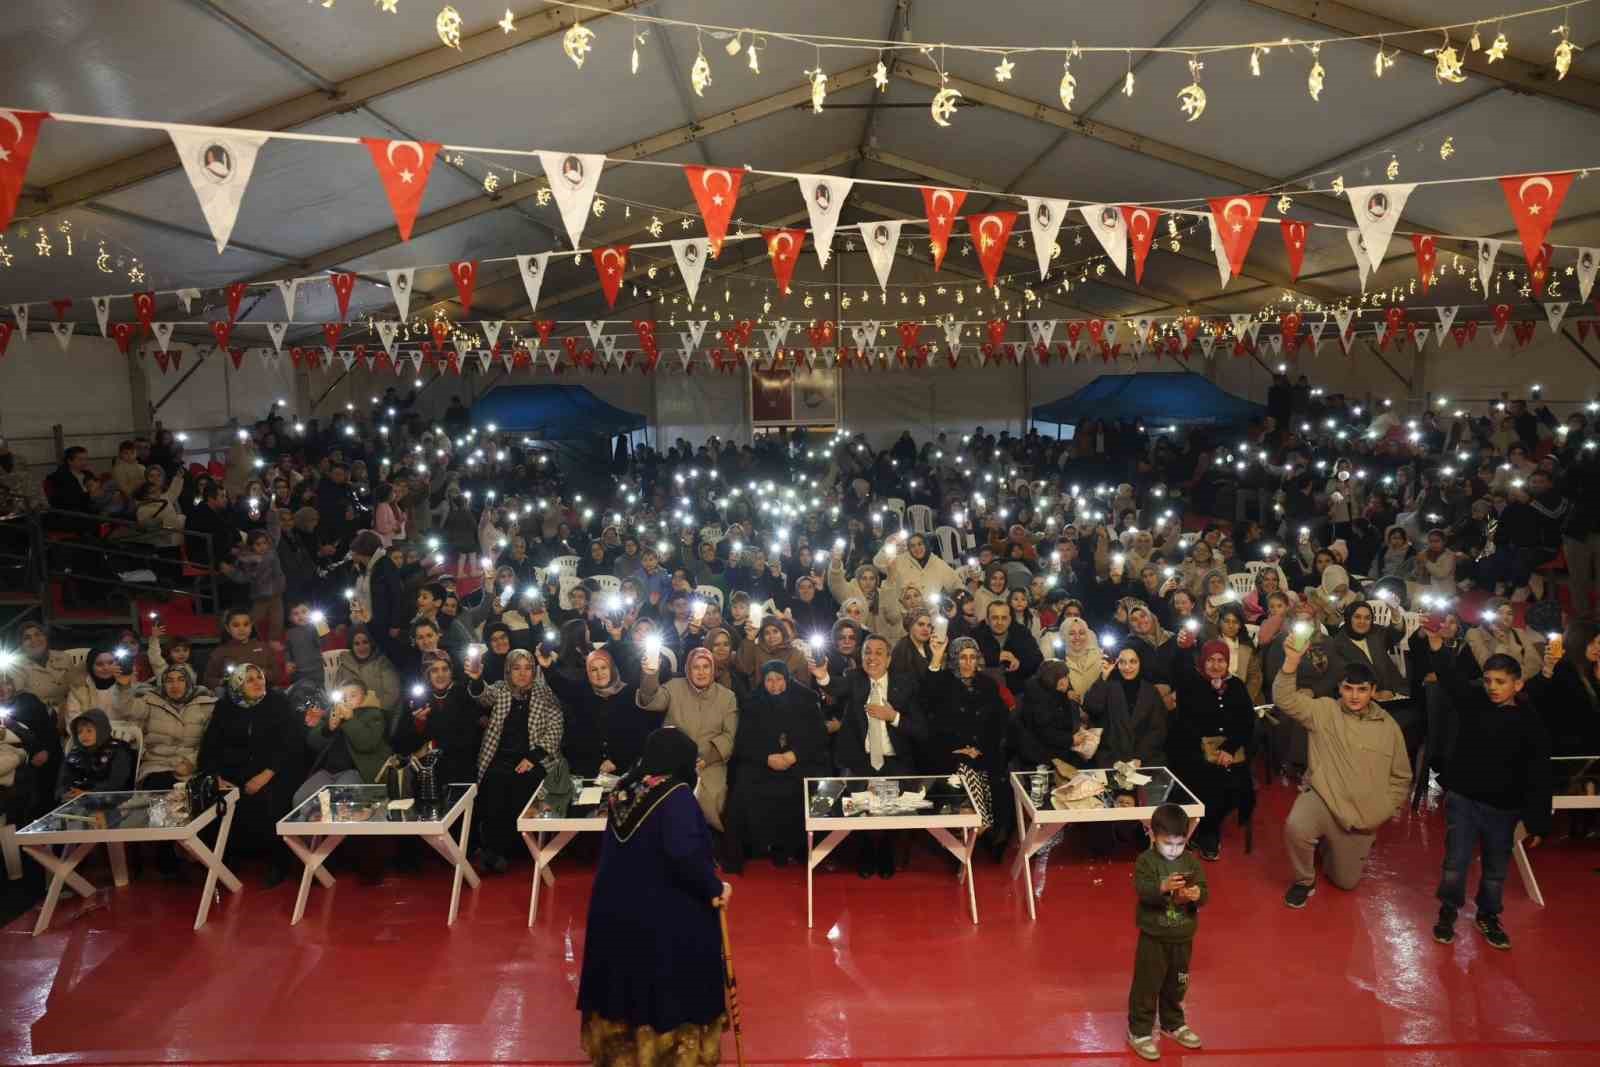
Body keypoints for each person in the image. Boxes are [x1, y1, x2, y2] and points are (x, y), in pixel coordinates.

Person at [576, 728, 730, 1065]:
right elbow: (685, 855)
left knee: (624, 987)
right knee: (673, 973)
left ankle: (624, 1053)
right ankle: (670, 1053)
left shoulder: (623, 789)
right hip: (660, 914)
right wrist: (715, 888)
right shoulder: (676, 796)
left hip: (613, 910)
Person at [1421, 638, 1551, 951]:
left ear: (1518, 684)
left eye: (1500, 682)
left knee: (1495, 869)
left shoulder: (1530, 722)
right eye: (1488, 680)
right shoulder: (1474, 703)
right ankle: (1448, 910)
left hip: (1504, 809)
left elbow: (1538, 772)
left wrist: (1538, 821)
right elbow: (1451, 681)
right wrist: (1438, 648)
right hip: (1464, 800)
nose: (1492, 687)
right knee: (1456, 862)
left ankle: (1488, 915)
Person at [1273, 637, 1412, 908]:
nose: (1354, 696)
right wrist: (1291, 662)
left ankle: (1330, 848)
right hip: (1323, 798)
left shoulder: (1389, 727)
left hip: (1361, 815)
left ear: (1373, 691)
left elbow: (1401, 777)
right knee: (1296, 826)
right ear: (1339, 688)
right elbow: (1285, 699)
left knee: (1345, 882)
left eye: (1362, 690)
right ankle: (1304, 880)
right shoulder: (1324, 710)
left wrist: (1382, 810)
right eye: (1348, 688)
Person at [810, 633, 927, 879]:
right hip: (859, 760)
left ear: (889, 659)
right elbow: (836, 686)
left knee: (894, 804)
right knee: (856, 802)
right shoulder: (854, 678)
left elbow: (920, 729)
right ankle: (865, 848)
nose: (872, 657)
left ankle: (885, 848)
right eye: (867, 652)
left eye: (878, 653)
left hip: (894, 760)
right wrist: (822, 676)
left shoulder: (905, 683)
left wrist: (893, 717)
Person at [197, 663, 302, 887]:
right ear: (237, 685)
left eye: (259, 677)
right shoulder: (225, 706)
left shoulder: (278, 702)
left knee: (272, 798)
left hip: (275, 769)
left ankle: (279, 863)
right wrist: (215, 775)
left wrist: (266, 774)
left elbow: (290, 744)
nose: (257, 682)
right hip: (234, 769)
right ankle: (226, 859)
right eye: (249, 679)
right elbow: (211, 745)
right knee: (219, 797)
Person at [463, 648, 565, 874]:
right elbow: (483, 696)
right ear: (508, 670)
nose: (522, 673)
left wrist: (533, 756)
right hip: (499, 757)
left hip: (535, 757)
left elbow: (556, 727)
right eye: (516, 668)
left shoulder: (544, 692)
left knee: (522, 782)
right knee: (494, 784)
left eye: (528, 668)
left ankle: (522, 848)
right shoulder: (501, 689)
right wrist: (477, 679)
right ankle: (495, 851)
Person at [726, 661, 830, 869]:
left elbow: (818, 737)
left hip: (799, 761)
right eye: (769, 680)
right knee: (743, 786)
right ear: (763, 682)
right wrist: (766, 758)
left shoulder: (806, 699)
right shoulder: (752, 702)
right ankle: (757, 848)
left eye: (779, 679)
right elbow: (743, 742)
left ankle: (805, 850)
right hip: (764, 763)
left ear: (787, 679)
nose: (774, 685)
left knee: (815, 786)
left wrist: (794, 755)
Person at [1125, 802, 1207, 1062]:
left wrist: (1196, 894)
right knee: (1147, 984)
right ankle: (1139, 1031)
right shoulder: (1146, 861)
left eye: (1180, 844)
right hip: (1154, 937)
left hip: (1183, 937)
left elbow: (1204, 891)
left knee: (1177, 983)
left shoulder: (1191, 862)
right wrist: (1162, 887)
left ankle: (1173, 1023)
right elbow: (1143, 890)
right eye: (1167, 843)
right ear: (1153, 835)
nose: (1174, 850)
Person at [923, 634, 1012, 860]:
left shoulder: (988, 684)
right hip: (950, 750)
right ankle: (980, 824)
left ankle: (987, 830)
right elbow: (930, 708)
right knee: (964, 768)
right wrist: (959, 748)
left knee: (996, 778)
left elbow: (999, 722)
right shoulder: (943, 682)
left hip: (984, 749)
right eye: (963, 657)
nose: (968, 663)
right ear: (954, 658)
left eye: (973, 657)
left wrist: (980, 748)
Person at [636, 646, 738, 834]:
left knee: (710, 797)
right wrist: (650, 674)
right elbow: (650, 701)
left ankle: (707, 840)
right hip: (673, 763)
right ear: (688, 669)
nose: (701, 672)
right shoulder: (673, 687)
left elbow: (728, 737)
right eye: (696, 667)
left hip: (709, 763)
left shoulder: (727, 697)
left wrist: (705, 760)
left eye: (706, 667)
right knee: (671, 799)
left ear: (713, 669)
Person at [1169, 641, 1256, 861]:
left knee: (1236, 786)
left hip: (1229, 751)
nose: (1216, 666)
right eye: (1210, 660)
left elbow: (1246, 721)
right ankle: (1206, 831)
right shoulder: (1191, 684)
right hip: (1194, 750)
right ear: (1202, 661)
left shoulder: (1236, 685)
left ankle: (1208, 829)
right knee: (1204, 779)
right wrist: (1204, 750)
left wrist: (1229, 749)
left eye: (1221, 660)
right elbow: (1184, 722)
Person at [540, 647, 655, 778]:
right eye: (593, 670)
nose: (599, 674)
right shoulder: (583, 693)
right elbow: (560, 685)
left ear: (611, 669)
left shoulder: (630, 694)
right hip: (590, 770)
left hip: (625, 769)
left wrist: (616, 760)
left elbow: (638, 734)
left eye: (603, 668)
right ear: (588, 672)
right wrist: (548, 667)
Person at [391, 651, 483, 790]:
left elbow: (471, 737)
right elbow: (400, 745)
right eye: (434, 670)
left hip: (461, 773)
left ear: (451, 671)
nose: (441, 675)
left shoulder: (464, 693)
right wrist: (418, 724)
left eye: (445, 669)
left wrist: (433, 742)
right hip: (427, 778)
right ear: (427, 673)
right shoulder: (416, 699)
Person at [296, 680, 393, 807]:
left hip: (357, 771)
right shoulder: (332, 713)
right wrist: (328, 729)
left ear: (364, 697)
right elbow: (312, 742)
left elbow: (366, 744)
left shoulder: (374, 714)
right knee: (300, 800)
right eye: (343, 696)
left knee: (339, 802)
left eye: (353, 695)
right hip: (328, 771)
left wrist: (350, 719)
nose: (347, 699)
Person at [57, 708, 136, 799]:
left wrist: (88, 794)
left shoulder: (119, 750)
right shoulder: (75, 754)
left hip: (110, 799)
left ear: (101, 730)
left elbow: (116, 783)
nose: (84, 735)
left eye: (89, 730)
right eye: (79, 732)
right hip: (77, 799)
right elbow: (64, 779)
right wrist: (65, 793)